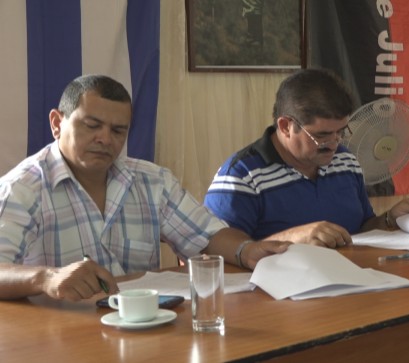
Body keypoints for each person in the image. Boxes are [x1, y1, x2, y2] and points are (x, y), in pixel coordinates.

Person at [0, 75, 290, 301]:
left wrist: (247, 250)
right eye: (92, 125)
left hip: (143, 326)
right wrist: (47, 279)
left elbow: (205, 236)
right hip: (59, 335)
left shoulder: (151, 181)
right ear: (56, 124)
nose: (105, 139)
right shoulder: (23, 188)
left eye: (118, 131)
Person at [204, 68, 409, 247]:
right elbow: (216, 253)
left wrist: (389, 218)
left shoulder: (345, 161)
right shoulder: (241, 176)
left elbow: (360, 232)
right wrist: (293, 238)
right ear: (285, 126)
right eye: (322, 135)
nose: (334, 144)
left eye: (341, 131)